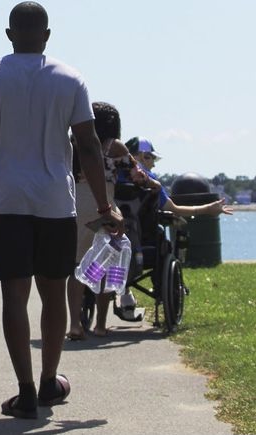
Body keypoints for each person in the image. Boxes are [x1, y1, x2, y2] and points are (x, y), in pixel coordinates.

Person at [0, 1, 123, 419]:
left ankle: (26, 391)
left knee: (15, 296)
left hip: (6, 200)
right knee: (54, 293)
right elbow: (87, 145)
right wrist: (105, 205)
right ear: (47, 35)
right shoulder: (70, 78)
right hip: (55, 201)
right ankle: (50, 380)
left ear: (9, 34)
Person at [111, 136, 234, 320]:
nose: (153, 164)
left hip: (109, 239)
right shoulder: (150, 182)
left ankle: (123, 295)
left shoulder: (108, 177)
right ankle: (160, 288)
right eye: (151, 157)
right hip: (146, 248)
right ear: (140, 157)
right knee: (162, 241)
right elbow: (174, 209)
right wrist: (209, 209)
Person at [66, 102, 141, 339]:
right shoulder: (112, 146)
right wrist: (152, 184)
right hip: (103, 208)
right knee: (103, 265)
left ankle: (75, 325)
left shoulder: (73, 144)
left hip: (75, 207)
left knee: (76, 268)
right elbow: (136, 173)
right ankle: (99, 325)